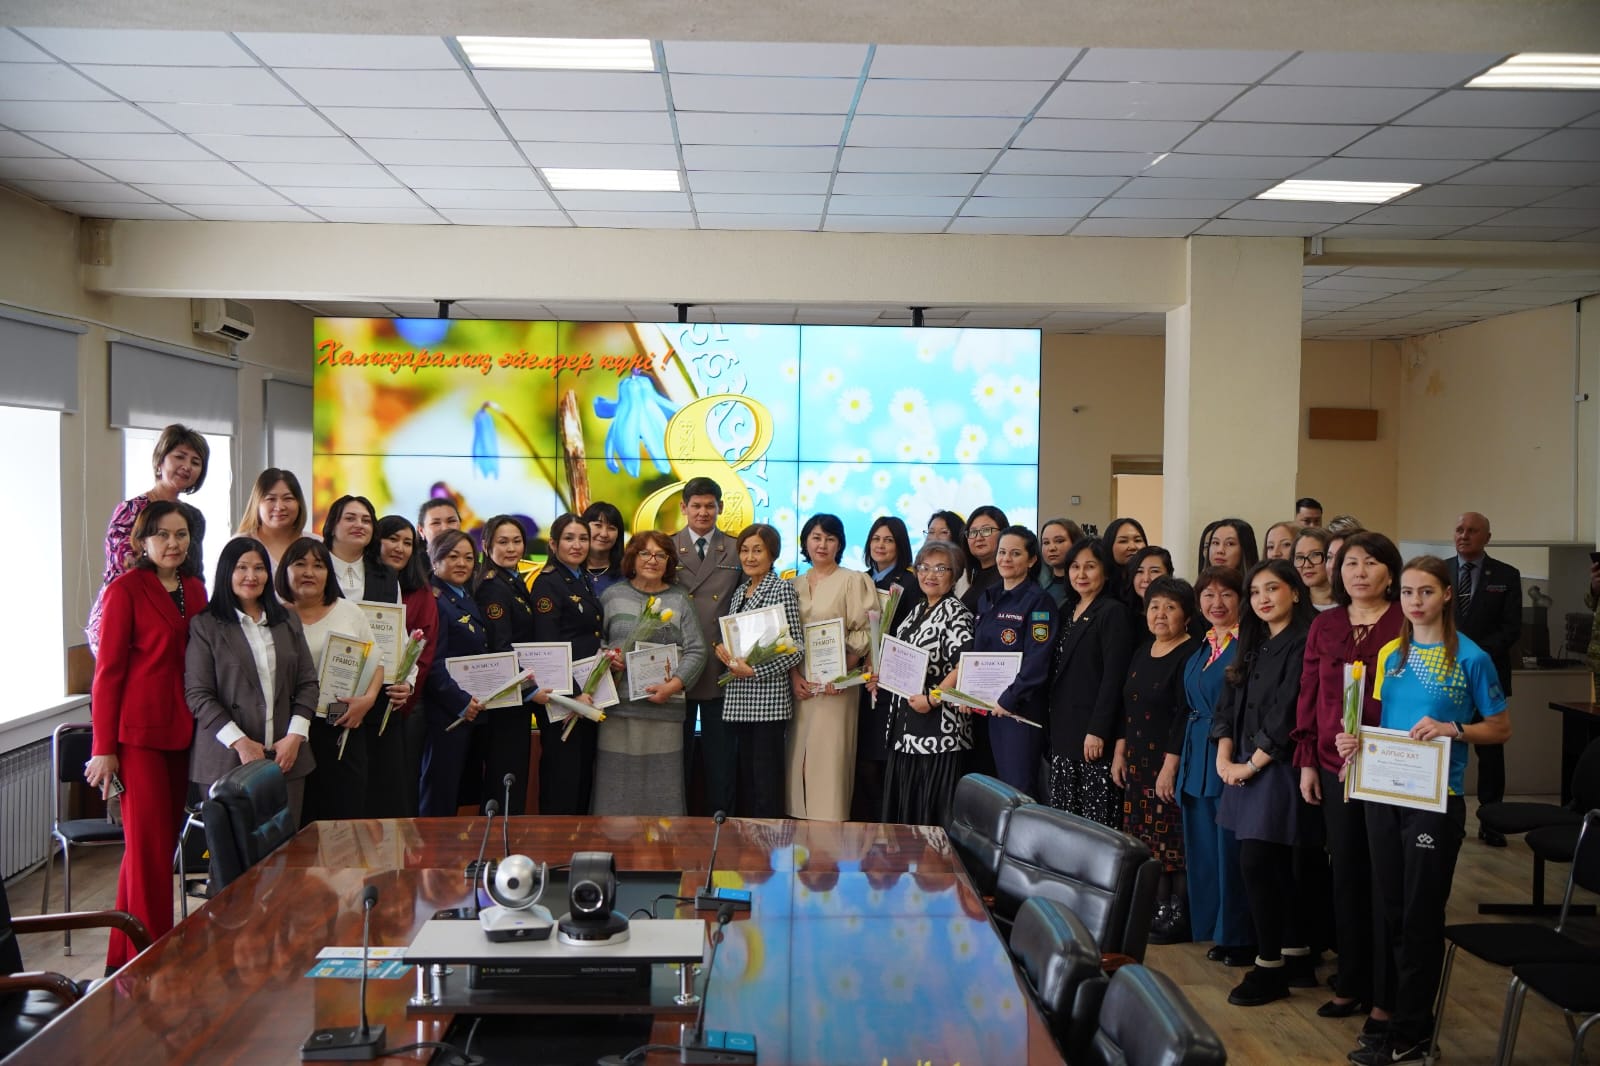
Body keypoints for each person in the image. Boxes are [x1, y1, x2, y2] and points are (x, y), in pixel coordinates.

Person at [1339, 555, 1509, 1066]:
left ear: (1447, 595)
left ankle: (1413, 1031)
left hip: (1436, 800)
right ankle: (1390, 1015)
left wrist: (1453, 728)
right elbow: (1385, 721)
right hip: (1383, 792)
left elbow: (1500, 728)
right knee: (1389, 908)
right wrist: (1355, 741)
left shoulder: (1472, 658)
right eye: (1408, 592)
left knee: (1419, 914)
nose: (1415, 602)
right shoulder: (1391, 654)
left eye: (1426, 592)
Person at [85, 499, 207, 970]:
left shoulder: (194, 588)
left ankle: (125, 956)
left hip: (183, 732)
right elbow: (108, 674)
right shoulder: (125, 590)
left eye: (181, 534)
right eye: (162, 535)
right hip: (137, 738)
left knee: (151, 849)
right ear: (141, 541)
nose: (173, 543)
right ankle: (155, 957)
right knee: (150, 852)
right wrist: (103, 749)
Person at [1291, 530, 1405, 1034]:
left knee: (1385, 877)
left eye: (1371, 562)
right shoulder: (1327, 623)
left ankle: (1386, 991)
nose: (1359, 571)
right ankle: (1351, 979)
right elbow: (1309, 691)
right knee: (1347, 872)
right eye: (1351, 562)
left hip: (1389, 764)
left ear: (1390, 572)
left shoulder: (1405, 621)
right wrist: (1307, 761)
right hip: (1332, 763)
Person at [1214, 560, 1316, 1006]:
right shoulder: (1253, 641)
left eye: (1272, 589)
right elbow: (1227, 701)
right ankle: (1296, 954)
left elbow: (1288, 711)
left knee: (1259, 861)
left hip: (1278, 765)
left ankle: (1269, 966)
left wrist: (1250, 765)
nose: (1263, 599)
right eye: (1255, 592)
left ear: (1295, 591)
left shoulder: (1304, 640)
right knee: (1272, 863)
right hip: (1242, 762)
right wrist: (1224, 754)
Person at [185, 536, 319, 827]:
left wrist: (296, 736)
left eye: (259, 568)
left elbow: (308, 683)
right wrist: (241, 743)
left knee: (286, 848)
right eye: (242, 567)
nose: (251, 576)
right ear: (226, 572)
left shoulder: (287, 619)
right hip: (226, 760)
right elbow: (198, 694)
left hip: (286, 758)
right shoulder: (205, 625)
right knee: (233, 850)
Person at [1112, 576, 1200, 944]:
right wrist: (1119, 752)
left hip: (1168, 762)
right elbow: (1127, 704)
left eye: (1170, 607)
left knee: (1171, 841)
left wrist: (1170, 766)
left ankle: (1176, 914)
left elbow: (1184, 714)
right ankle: (1153, 908)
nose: (1160, 614)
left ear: (1187, 615)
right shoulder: (1143, 649)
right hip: (1137, 761)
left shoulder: (1191, 653)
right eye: (1154, 606)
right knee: (1147, 840)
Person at [595, 531, 707, 815]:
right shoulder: (612, 596)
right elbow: (597, 642)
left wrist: (674, 685)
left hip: (664, 712)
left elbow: (697, 650)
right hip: (617, 711)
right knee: (615, 793)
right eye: (645, 553)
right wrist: (607, 657)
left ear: (669, 562)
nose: (652, 560)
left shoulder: (679, 599)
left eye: (661, 555)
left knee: (662, 795)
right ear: (632, 558)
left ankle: (663, 845)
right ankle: (613, 843)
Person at [277, 537, 385, 823]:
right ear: (285, 570)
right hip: (290, 730)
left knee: (343, 816)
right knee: (298, 818)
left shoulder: (348, 611)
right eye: (300, 564)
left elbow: (376, 663)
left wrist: (368, 700)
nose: (309, 572)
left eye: (318, 565)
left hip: (342, 723)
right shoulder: (274, 617)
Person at [1176, 566, 1253, 962]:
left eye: (1226, 595)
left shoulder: (1247, 646)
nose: (1216, 603)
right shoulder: (1204, 646)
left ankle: (1236, 935)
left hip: (1229, 753)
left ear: (1241, 600)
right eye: (1208, 595)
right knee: (1203, 847)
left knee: (1229, 848)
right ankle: (1211, 927)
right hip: (1196, 753)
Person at [86, 423, 208, 654]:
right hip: (127, 620)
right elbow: (119, 571)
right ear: (160, 461)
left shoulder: (194, 517)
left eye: (195, 462)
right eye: (179, 457)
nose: (187, 466)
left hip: (176, 617)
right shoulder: (131, 510)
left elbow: (194, 571)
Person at [880, 538, 975, 826]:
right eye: (924, 567)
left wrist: (933, 699)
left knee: (930, 812)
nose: (930, 574)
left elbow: (964, 664)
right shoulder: (918, 609)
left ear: (954, 575)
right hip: (906, 727)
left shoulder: (956, 612)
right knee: (906, 811)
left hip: (938, 730)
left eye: (940, 568)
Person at [789, 513, 878, 820]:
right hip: (801, 687)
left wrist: (840, 673)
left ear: (839, 544)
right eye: (816, 537)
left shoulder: (853, 580)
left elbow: (865, 631)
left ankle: (830, 832)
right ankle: (798, 831)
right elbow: (784, 638)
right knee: (798, 762)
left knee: (829, 762)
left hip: (838, 687)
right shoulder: (792, 584)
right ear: (805, 542)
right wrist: (794, 676)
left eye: (830, 538)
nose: (822, 544)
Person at [716, 523, 805, 818]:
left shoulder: (781, 589)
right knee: (747, 782)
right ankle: (748, 839)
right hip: (740, 700)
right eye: (744, 550)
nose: (749, 557)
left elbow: (795, 648)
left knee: (766, 783)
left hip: (767, 703)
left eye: (757, 550)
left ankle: (769, 840)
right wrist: (725, 652)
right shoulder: (740, 591)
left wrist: (754, 672)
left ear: (772, 555)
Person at [1045, 538, 1135, 828]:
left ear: (1105, 572)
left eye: (1090, 567)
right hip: (1063, 731)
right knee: (1065, 821)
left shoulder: (1112, 612)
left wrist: (1098, 730)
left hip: (1093, 736)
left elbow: (1114, 678)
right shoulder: (1066, 610)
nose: (1081, 574)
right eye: (1075, 567)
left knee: (1094, 824)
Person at [1447, 511, 1521, 847]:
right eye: (1459, 530)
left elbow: (1511, 629)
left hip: (1486, 673)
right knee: (1446, 742)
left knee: (1490, 752)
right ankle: (1446, 816)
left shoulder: (1506, 575)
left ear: (1487, 537)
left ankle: (1492, 821)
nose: (1464, 535)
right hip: (1444, 674)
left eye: (1472, 531)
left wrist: (1471, 655)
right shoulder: (1440, 571)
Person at [671, 478, 741, 815]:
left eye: (709, 506)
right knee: (675, 756)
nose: (703, 512)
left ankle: (721, 821)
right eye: (696, 506)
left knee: (721, 757)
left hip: (721, 667)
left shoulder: (737, 548)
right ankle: (676, 821)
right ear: (683, 508)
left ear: (720, 508)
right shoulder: (667, 547)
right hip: (678, 668)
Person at [528, 513, 604, 814]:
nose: (577, 545)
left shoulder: (581, 577)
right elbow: (547, 647)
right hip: (562, 697)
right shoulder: (548, 583)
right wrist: (571, 695)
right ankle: (556, 839)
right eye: (569, 538)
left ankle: (579, 838)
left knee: (582, 775)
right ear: (553, 544)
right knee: (563, 777)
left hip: (587, 695)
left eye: (583, 538)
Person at [971, 526, 1056, 793]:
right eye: (1002, 552)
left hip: (1018, 711)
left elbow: (1038, 660)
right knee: (993, 790)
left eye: (1015, 553)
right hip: (987, 709)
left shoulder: (1038, 602)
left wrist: (1009, 698)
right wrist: (968, 692)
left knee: (1018, 788)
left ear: (1032, 560)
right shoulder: (988, 598)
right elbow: (979, 652)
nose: (1006, 559)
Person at [856, 516, 926, 820]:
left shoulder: (909, 583)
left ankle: (886, 825)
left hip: (890, 684)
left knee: (880, 760)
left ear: (901, 546)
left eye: (888, 540)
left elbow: (911, 636)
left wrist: (884, 666)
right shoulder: (859, 580)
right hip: (859, 682)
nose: (880, 545)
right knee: (860, 759)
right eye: (876, 539)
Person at [418, 529, 488, 816]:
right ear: (435, 560)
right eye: (453, 556)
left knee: (455, 793)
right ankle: (431, 846)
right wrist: (460, 702)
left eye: (469, 558)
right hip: (445, 713)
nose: (462, 563)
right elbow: (432, 663)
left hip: (468, 710)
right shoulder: (434, 600)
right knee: (438, 794)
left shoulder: (463, 596)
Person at [474, 515, 539, 815]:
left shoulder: (512, 580)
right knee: (505, 775)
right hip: (506, 698)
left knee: (514, 772)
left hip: (516, 694)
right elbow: (501, 649)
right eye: (503, 542)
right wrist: (530, 690)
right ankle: (498, 837)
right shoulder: (493, 587)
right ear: (486, 546)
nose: (511, 548)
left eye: (516, 541)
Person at [375, 515, 440, 817]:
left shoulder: (421, 591)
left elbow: (423, 651)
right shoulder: (365, 584)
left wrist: (405, 692)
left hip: (406, 702)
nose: (399, 548)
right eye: (392, 539)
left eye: (407, 543)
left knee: (402, 782)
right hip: (365, 701)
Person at [321, 494, 401, 605]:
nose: (359, 525)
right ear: (332, 527)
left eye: (366, 521)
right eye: (350, 519)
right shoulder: (313, 569)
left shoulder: (387, 576)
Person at [236, 468, 309, 567]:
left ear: (299, 503)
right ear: (257, 504)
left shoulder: (318, 544)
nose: (279, 507)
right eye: (271, 499)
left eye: (288, 498)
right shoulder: (237, 546)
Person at [959, 504, 1009, 613]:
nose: (978, 538)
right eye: (973, 532)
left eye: (986, 530)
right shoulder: (971, 576)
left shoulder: (1009, 577)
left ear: (1004, 533)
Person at [582, 500, 626, 597]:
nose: (604, 534)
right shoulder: (570, 571)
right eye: (598, 525)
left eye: (611, 528)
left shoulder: (628, 573)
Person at [1038, 518, 1082, 608]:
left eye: (1059, 541)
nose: (1051, 548)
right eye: (1046, 542)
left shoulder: (1084, 585)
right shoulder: (1038, 588)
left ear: (1075, 542)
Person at [924, 511, 970, 598]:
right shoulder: (921, 571)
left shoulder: (964, 575)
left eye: (943, 532)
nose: (935, 538)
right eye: (931, 532)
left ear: (957, 536)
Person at [1293, 527, 1337, 611]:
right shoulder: (1290, 609)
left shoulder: (1353, 604)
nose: (1306, 565)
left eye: (1315, 555)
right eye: (1300, 557)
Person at [1127, 545, 1175, 615]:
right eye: (1140, 571)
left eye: (1154, 571)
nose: (1146, 579)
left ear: (1169, 574)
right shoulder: (1123, 613)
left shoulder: (1177, 612)